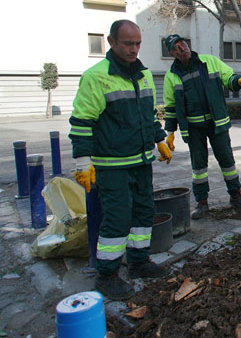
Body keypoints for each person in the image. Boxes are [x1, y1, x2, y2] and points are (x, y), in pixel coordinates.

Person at [70, 20, 173, 300]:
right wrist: (82, 160)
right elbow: (82, 122)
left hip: (141, 162)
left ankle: (139, 262)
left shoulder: (144, 75)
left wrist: (160, 139)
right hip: (112, 165)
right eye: (128, 43)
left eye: (137, 43)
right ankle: (107, 275)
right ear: (111, 42)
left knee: (142, 213)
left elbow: (149, 115)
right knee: (117, 219)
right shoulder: (96, 77)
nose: (133, 49)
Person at [162, 34, 241, 218]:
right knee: (199, 168)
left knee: (227, 162)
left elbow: (228, 77)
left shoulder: (209, 61)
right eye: (176, 48)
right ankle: (202, 202)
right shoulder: (171, 76)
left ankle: (236, 195)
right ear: (172, 53)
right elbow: (170, 106)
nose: (182, 49)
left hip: (216, 123)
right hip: (194, 128)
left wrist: (238, 82)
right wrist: (170, 133)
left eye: (183, 44)